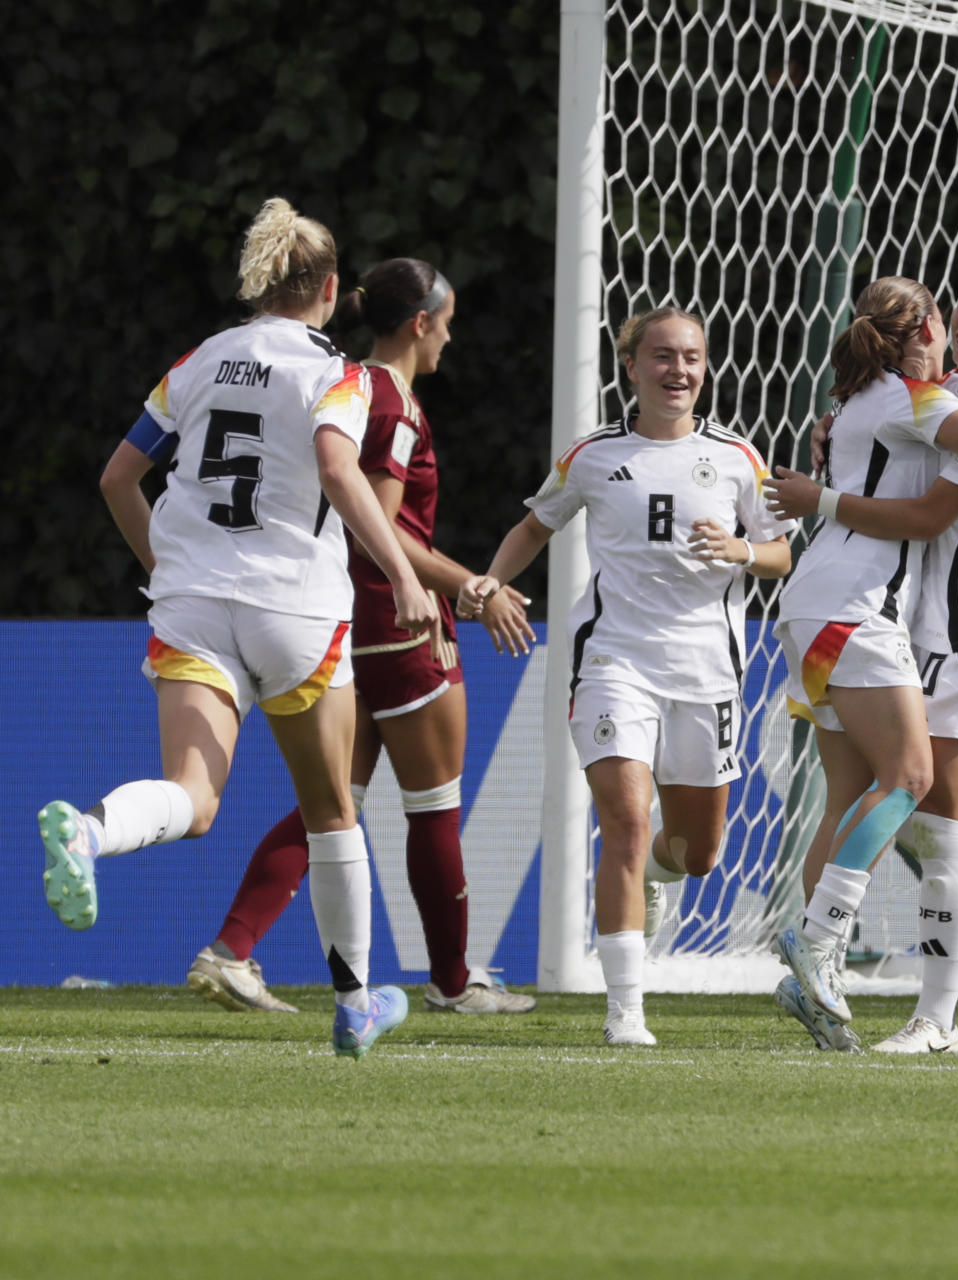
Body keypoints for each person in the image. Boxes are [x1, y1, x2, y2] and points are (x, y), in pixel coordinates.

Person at [48, 197, 432, 1057]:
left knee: (193, 795)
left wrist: (169, 573)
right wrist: (402, 573)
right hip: (292, 602)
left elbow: (119, 478)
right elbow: (337, 466)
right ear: (331, 289)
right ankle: (357, 1001)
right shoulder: (340, 372)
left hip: (191, 601)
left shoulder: (200, 360)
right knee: (332, 808)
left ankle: (90, 831)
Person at [186, 257, 539, 1017]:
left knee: (332, 805)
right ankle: (452, 982)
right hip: (397, 623)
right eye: (447, 322)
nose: (450, 337)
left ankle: (232, 949)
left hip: (346, 619)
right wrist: (468, 587)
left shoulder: (350, 384)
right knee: (434, 806)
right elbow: (378, 522)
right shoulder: (391, 402)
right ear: (421, 323)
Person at [765, 243, 958, 1054]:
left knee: (940, 824)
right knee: (933, 825)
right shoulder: (952, 394)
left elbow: (947, 501)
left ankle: (936, 1018)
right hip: (912, 625)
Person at [462, 306, 794, 1046]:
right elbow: (533, 527)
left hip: (707, 672)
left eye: (693, 358)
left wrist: (741, 552)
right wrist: (489, 582)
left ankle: (657, 874)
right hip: (614, 659)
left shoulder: (739, 457)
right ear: (632, 364)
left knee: (697, 854)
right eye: (664, 356)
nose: (679, 370)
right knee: (624, 821)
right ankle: (625, 1013)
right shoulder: (591, 456)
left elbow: (781, 553)